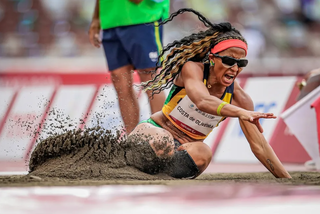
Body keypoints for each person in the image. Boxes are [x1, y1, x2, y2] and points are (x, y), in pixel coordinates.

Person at [127, 8, 292, 179]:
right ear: (212, 58)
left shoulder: (240, 99)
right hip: (155, 131)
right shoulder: (192, 69)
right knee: (164, 143)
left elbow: (260, 146)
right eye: (229, 61)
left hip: (184, 148)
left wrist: (286, 179)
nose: (235, 68)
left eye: (241, 63)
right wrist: (241, 113)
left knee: (204, 153)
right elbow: (202, 101)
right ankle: (127, 161)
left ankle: (162, 175)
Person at [88, 0, 169, 134]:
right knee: (120, 81)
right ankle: (132, 141)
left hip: (143, 16)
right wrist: (96, 18)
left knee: (150, 78)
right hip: (111, 18)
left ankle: (164, 139)